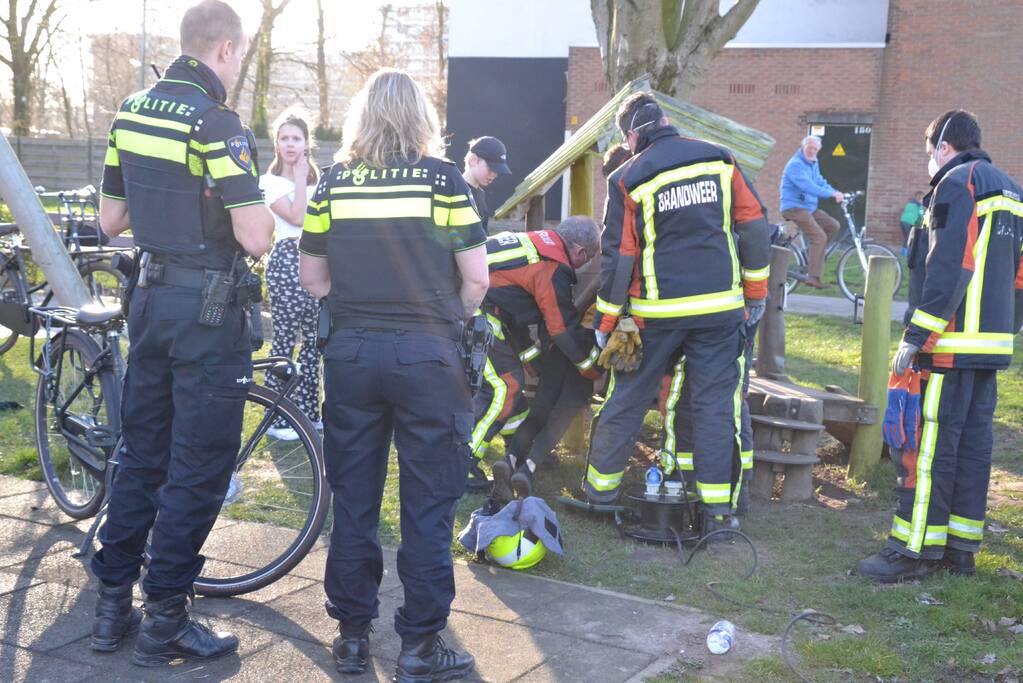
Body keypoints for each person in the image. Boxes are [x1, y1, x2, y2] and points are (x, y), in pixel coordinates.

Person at [91, 0, 273, 665]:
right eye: (240, 51)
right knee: (198, 463)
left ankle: (112, 605)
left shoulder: (130, 111)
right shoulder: (216, 122)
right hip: (208, 311)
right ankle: (165, 614)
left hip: (150, 299)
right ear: (223, 49)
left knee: (143, 453)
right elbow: (255, 234)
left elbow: (111, 219)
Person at [298, 68, 487, 681]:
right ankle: (419, 646)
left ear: (362, 117)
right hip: (429, 356)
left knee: (353, 500)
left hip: (350, 355)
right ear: (421, 118)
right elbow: (477, 280)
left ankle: (352, 637)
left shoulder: (333, 183)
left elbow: (312, 278)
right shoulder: (445, 181)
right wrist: (440, 317)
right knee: (428, 503)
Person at [584, 93, 771, 536]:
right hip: (721, 313)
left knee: (625, 399)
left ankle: (600, 495)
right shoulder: (719, 159)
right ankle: (716, 512)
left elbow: (620, 257)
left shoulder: (627, 176)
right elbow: (753, 224)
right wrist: (756, 293)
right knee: (713, 409)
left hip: (654, 316)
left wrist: (605, 323)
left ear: (630, 136)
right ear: (666, 121)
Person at [855, 110, 1023, 583]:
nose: (928, 161)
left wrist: (916, 337)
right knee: (972, 447)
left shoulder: (956, 183)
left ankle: (911, 551)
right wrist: (1007, 327)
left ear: (943, 148)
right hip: (988, 348)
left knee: (928, 449)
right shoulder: (1011, 189)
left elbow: (950, 262)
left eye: (929, 152)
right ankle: (959, 549)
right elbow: (1019, 271)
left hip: (947, 346)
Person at [468, 217, 602, 496]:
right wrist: (589, 368)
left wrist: (532, 359)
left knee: (514, 390)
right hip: (471, 310)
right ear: (580, 252)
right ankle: (461, 464)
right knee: (505, 386)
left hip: (475, 304)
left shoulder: (537, 243)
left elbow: (514, 306)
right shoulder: (552, 265)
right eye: (588, 258)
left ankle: (516, 449)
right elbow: (560, 327)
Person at [260, 107, 322, 439]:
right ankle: (279, 417)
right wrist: (299, 177)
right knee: (285, 340)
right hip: (286, 259)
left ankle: (310, 413)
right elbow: (297, 218)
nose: (290, 144)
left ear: (306, 142)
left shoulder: (320, 181)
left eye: (296, 138)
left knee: (315, 342)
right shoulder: (269, 182)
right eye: (284, 138)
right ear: (276, 143)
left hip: (319, 260)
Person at [779, 135, 844, 289]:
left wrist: (836, 192)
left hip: (808, 207)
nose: (812, 151)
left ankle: (812, 255)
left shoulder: (813, 162)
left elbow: (819, 181)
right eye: (809, 148)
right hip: (793, 207)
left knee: (833, 225)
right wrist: (831, 194)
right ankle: (813, 277)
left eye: (815, 149)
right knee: (819, 237)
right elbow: (808, 186)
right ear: (803, 147)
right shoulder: (795, 165)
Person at [462, 136, 511, 233]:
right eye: (491, 168)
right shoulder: (455, 191)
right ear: (473, 160)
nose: (494, 175)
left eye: (497, 170)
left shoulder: (480, 194)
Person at [899, 192, 925, 257]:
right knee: (908, 239)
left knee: (905, 238)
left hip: (902, 221)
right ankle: (905, 255)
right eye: (922, 199)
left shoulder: (910, 203)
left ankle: (902, 253)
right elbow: (921, 217)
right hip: (908, 223)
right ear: (920, 199)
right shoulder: (920, 206)